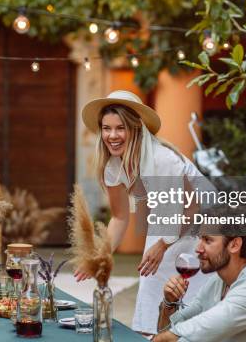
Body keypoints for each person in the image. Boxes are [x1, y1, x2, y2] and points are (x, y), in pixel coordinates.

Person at [78, 90, 210, 336]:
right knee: (152, 296)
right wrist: (98, 255)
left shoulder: (164, 159)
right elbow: (119, 218)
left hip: (203, 231)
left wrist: (162, 244)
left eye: (120, 128)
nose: (112, 135)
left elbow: (194, 207)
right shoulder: (113, 167)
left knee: (195, 311)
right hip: (166, 225)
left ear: (136, 128)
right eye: (107, 128)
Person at [153, 206, 246, 342]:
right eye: (200, 239)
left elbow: (195, 330)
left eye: (208, 240)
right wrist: (169, 303)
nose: (198, 248)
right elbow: (169, 330)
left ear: (234, 245)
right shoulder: (217, 282)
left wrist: (164, 337)